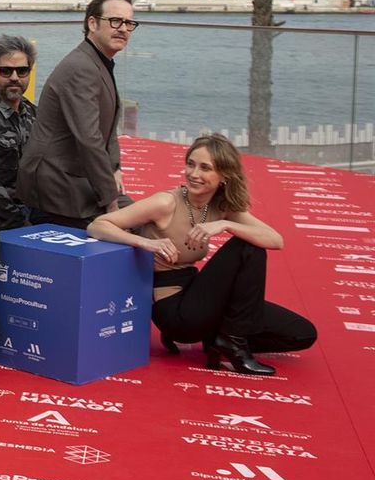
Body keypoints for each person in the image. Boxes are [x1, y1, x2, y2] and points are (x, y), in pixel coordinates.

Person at [87, 134, 315, 375]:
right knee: (247, 247)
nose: (194, 174)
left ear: (224, 176)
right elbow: (98, 225)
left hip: (197, 294)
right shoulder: (166, 203)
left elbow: (276, 240)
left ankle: (220, 339)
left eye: (205, 168)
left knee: (301, 333)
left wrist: (226, 225)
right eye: (191, 164)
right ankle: (234, 342)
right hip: (174, 310)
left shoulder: (220, 205)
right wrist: (144, 243)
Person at [18, 0, 136, 227]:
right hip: (57, 186)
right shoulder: (81, 67)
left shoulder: (98, 61)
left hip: (80, 179)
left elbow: (108, 129)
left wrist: (114, 169)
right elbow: (89, 139)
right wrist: (111, 200)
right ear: (92, 23)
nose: (123, 29)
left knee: (148, 220)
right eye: (115, 21)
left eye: (129, 23)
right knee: (132, 228)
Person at [0, 33, 39, 231]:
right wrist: (22, 222)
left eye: (22, 71)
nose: (14, 78)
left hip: (36, 212)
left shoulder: (35, 114)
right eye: (6, 71)